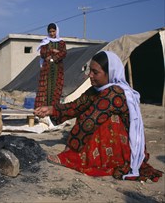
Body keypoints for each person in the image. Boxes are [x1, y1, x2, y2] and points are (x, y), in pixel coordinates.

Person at [34, 51, 163, 182]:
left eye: (95, 72)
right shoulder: (96, 89)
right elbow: (76, 106)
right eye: (90, 71)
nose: (90, 75)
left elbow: (91, 120)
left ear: (109, 74)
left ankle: (83, 158)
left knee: (104, 120)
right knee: (86, 111)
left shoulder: (115, 92)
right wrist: (51, 109)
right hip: (106, 139)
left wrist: (70, 150)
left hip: (123, 147)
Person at [34, 23, 67, 109]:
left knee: (56, 88)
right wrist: (53, 50)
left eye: (53, 31)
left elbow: (63, 53)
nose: (52, 33)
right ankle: (42, 111)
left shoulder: (61, 42)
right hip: (46, 69)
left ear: (57, 31)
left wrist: (53, 57)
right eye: (50, 31)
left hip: (57, 69)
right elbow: (43, 53)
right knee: (45, 89)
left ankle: (53, 110)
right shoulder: (45, 42)